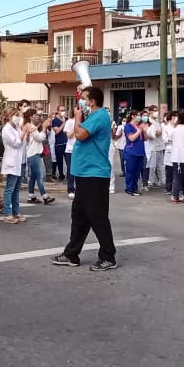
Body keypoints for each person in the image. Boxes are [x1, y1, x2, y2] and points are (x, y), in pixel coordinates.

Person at [51, 86, 117, 271]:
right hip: (85, 173)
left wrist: (78, 119)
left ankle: (108, 256)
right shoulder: (94, 116)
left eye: (83, 99)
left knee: (97, 216)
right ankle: (71, 254)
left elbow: (80, 135)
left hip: (95, 174)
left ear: (92, 102)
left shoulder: (100, 116)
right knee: (79, 216)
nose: (79, 102)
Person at [0, 107, 28, 224]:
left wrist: (23, 131)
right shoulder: (6, 129)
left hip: (20, 161)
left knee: (16, 189)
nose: (18, 118)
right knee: (9, 189)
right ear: (10, 116)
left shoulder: (16, 127)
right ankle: (7, 213)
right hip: (12, 162)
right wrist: (23, 132)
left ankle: (16, 212)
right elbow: (16, 143)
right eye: (16, 115)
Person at [24, 110, 55, 205]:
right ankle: (44, 195)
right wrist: (44, 128)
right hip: (34, 154)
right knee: (39, 175)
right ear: (30, 117)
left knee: (33, 176)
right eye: (35, 115)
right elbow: (41, 137)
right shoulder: (31, 127)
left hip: (32, 153)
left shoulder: (31, 126)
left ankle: (31, 195)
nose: (37, 116)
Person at [122, 111, 146, 196]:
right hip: (131, 152)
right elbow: (131, 138)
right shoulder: (128, 126)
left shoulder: (139, 126)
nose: (140, 117)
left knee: (137, 172)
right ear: (133, 116)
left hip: (140, 152)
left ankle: (135, 188)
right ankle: (128, 189)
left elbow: (145, 138)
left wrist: (144, 130)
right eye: (138, 115)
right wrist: (139, 130)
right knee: (130, 171)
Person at [144, 107, 165, 192]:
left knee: (160, 166)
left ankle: (162, 181)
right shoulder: (149, 121)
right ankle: (150, 182)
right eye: (154, 111)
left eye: (157, 110)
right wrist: (161, 132)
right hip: (152, 147)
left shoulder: (156, 122)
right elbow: (155, 133)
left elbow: (160, 132)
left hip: (159, 146)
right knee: (152, 166)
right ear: (150, 112)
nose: (156, 112)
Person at [51, 104, 68, 181]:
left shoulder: (67, 119)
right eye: (61, 110)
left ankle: (69, 175)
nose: (63, 112)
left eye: (64, 110)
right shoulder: (55, 121)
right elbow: (57, 131)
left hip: (67, 143)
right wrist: (63, 123)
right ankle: (61, 175)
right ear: (58, 111)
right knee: (59, 161)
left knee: (68, 161)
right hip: (59, 144)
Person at [162, 112, 177, 195]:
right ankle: (168, 188)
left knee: (176, 171)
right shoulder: (166, 128)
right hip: (169, 149)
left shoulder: (178, 127)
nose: (176, 119)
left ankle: (176, 187)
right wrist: (171, 139)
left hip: (177, 151)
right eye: (174, 117)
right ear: (171, 118)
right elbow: (164, 139)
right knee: (169, 171)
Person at [64, 113, 77, 200]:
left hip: (81, 149)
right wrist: (76, 128)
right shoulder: (69, 122)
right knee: (71, 169)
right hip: (70, 149)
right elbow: (68, 136)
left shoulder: (85, 121)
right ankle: (70, 189)